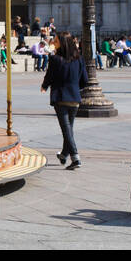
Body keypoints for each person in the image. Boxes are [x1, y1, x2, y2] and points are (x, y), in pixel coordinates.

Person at [42, 31, 88, 170]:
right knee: (69, 128)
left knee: (66, 129)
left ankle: (75, 157)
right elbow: (84, 80)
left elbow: (50, 75)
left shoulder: (55, 59)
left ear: (62, 44)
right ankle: (63, 155)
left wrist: (44, 86)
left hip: (61, 97)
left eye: (55, 41)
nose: (53, 43)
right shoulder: (79, 59)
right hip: (74, 98)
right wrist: (75, 88)